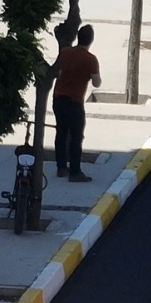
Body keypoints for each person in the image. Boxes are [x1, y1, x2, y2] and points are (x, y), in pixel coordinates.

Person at [51, 24, 101, 183]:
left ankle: (61, 167)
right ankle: (75, 172)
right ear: (91, 40)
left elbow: (57, 71)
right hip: (74, 102)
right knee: (76, 137)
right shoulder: (90, 59)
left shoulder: (65, 53)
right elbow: (96, 83)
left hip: (58, 98)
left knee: (61, 132)